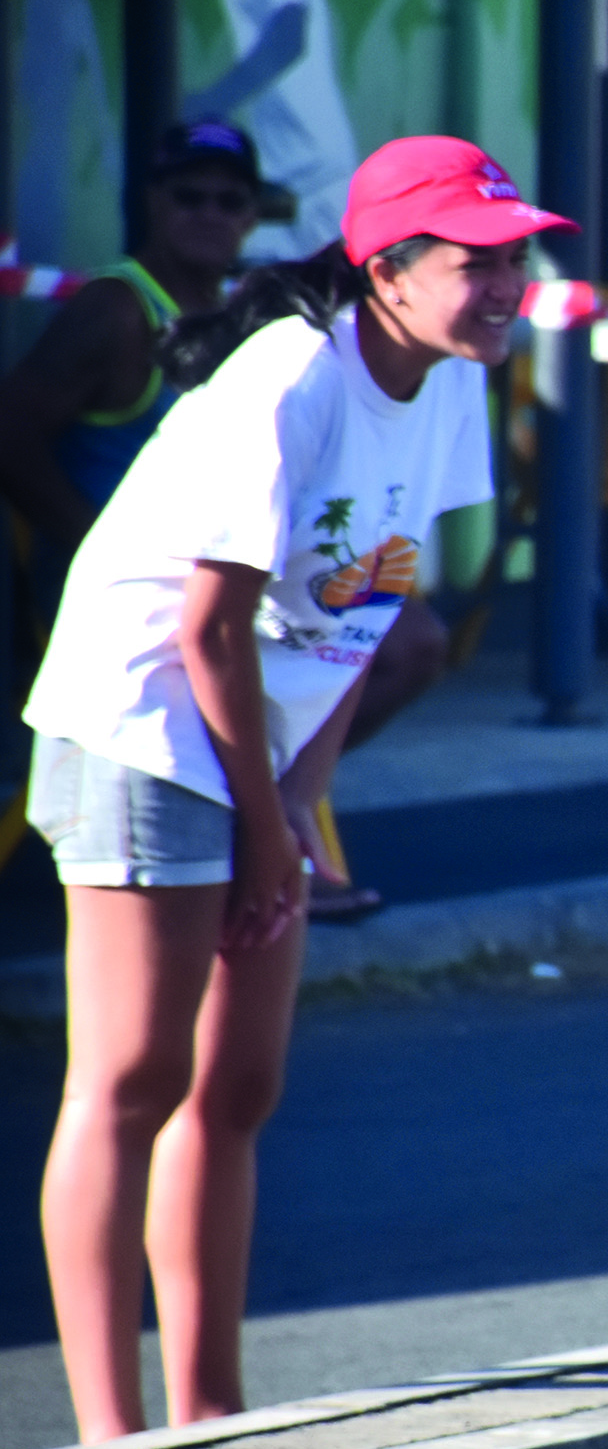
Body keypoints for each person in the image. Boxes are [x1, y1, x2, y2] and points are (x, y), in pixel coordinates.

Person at [21, 135, 559, 1447]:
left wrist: (297, 820)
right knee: (134, 1073)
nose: (506, 288)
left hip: (255, 741)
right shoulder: (288, 380)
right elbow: (208, 631)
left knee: (238, 1083)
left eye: (517, 261)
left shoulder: (450, 387)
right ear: (384, 269)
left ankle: (209, 1408)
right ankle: (115, 1433)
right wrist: (270, 835)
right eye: (473, 263)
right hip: (141, 721)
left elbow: (364, 614)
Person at [0, 120, 447, 923]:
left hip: (255, 580)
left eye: (229, 199)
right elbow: (12, 429)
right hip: (162, 608)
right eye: (188, 196)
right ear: (152, 203)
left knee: (402, 637)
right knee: (137, 1055)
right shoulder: (119, 310)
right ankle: (251, 828)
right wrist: (89, 539)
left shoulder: (264, 313)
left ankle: (277, 819)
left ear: (253, 215)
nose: (208, 213)